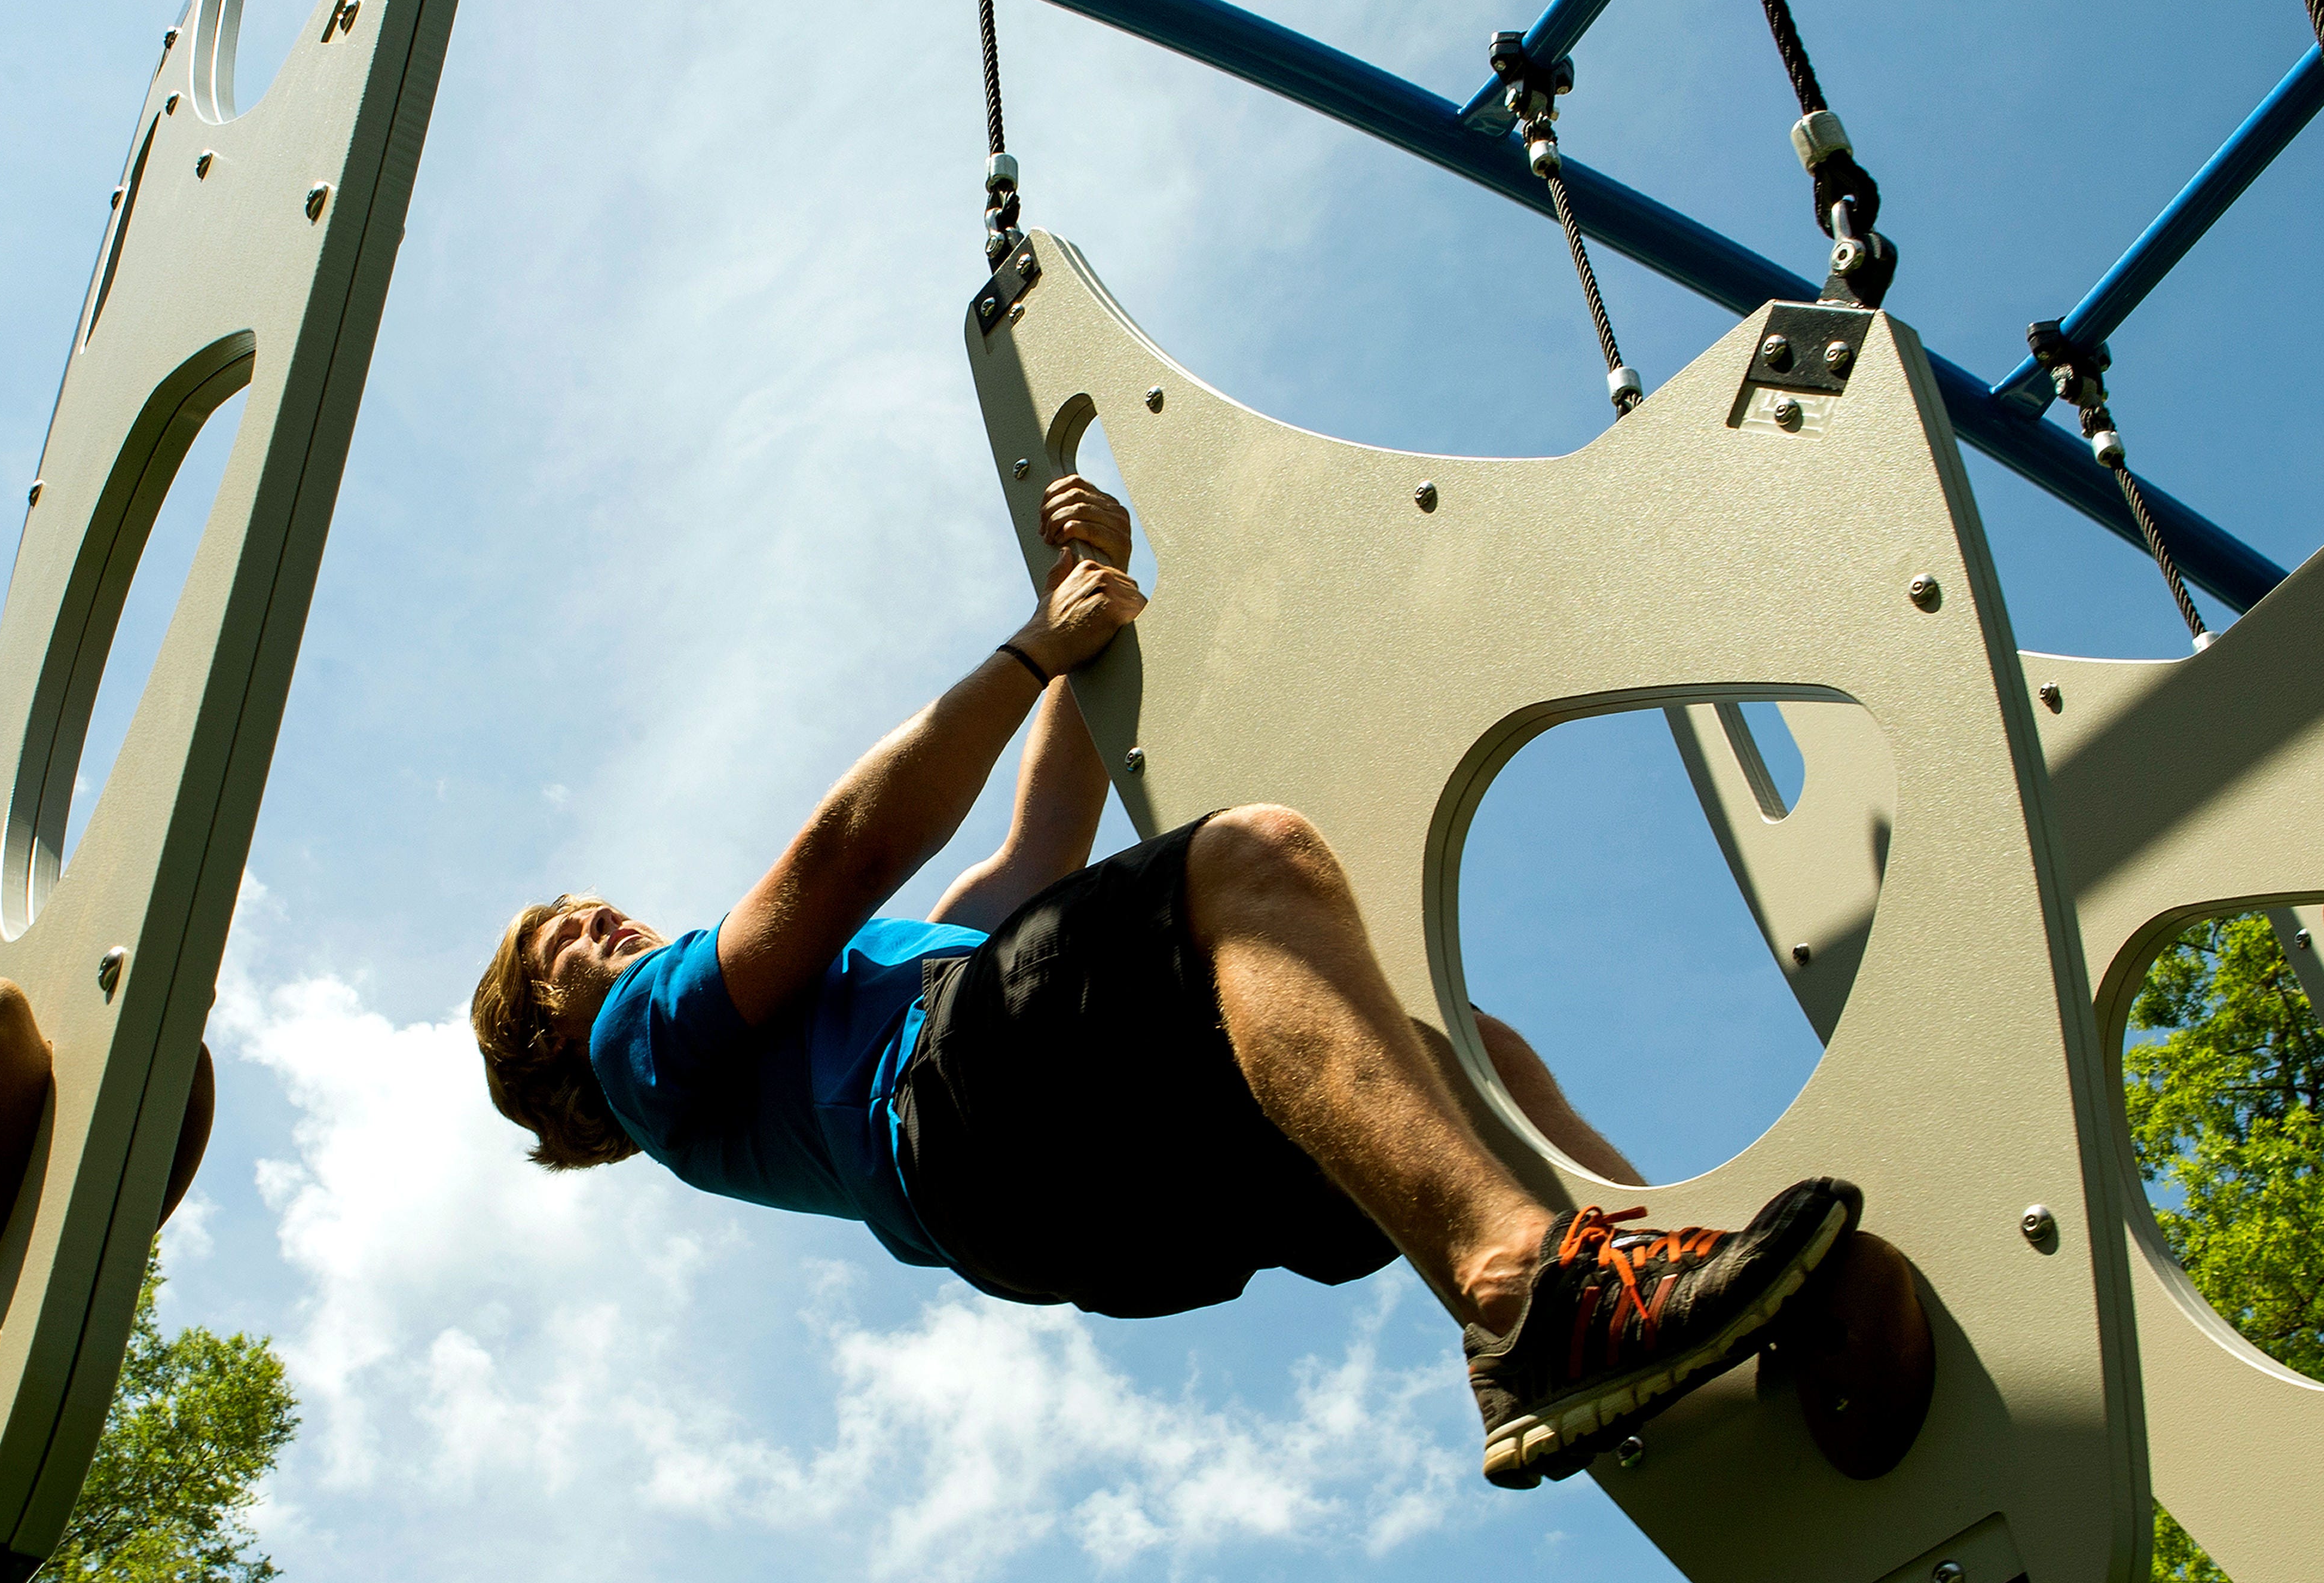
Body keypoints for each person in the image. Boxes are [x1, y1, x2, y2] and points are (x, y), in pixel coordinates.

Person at [472, 477, 1854, 1487]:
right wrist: (1031, 647)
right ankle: (1534, 1293)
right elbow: (847, 852)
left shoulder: (863, 1002)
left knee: (1441, 1059)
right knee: (1255, 860)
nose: (592, 919)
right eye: (558, 949)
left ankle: (1669, 1296)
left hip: (1059, 1201)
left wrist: (1098, 590)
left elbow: (1039, 849)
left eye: (584, 911)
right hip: (967, 1125)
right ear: (554, 1044)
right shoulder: (638, 1045)